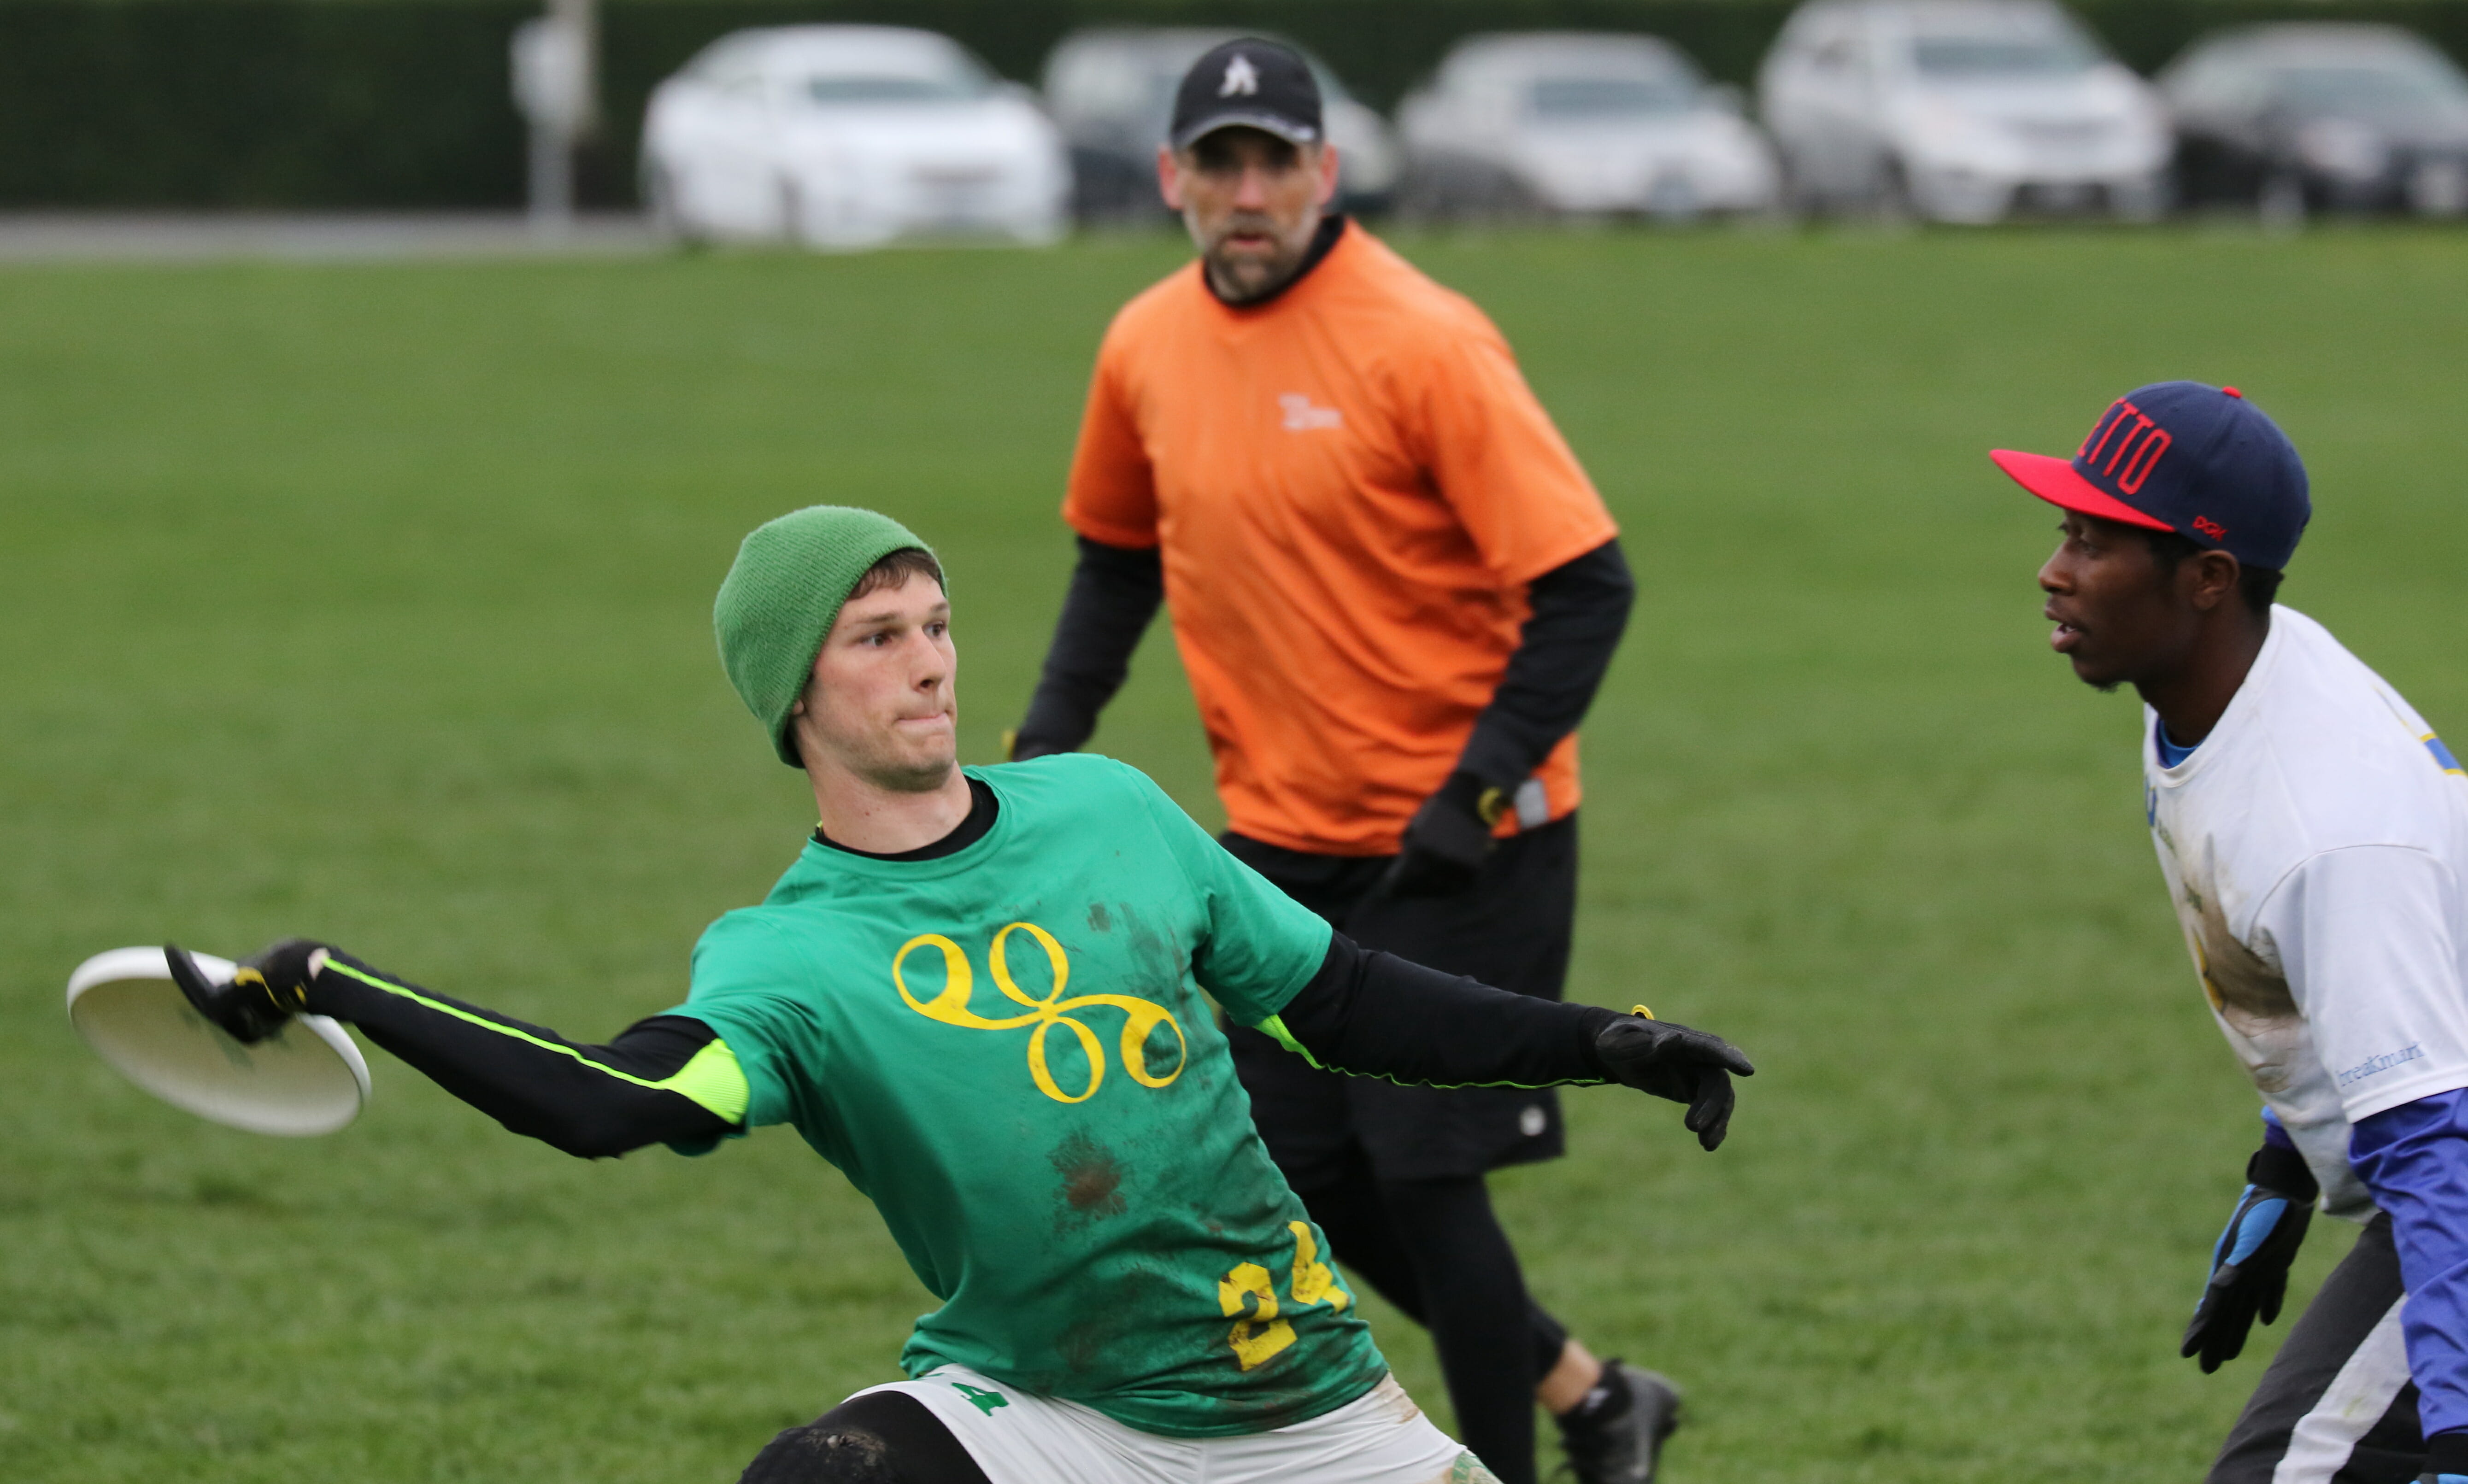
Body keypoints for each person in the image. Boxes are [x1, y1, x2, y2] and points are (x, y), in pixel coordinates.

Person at [171, 505, 1752, 1484]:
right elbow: (621, 1105)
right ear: (794, 699)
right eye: (875, 638)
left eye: (934, 625)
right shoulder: (789, 957)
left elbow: (1344, 1004)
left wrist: (1603, 1042)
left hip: (1310, 1416)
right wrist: (339, 981)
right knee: (821, 1480)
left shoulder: (1105, 810)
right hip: (1045, 1412)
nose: (928, 663)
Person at [1010, 37, 1657, 1484]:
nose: (1247, 192)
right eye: (1218, 163)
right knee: (1301, 1174)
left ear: (1326, 173)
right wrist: (1039, 752)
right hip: (1279, 843)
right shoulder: (1143, 344)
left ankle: (1505, 1460)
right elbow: (1116, 565)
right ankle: (1592, 1396)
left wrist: (1474, 784)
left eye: (1274, 161)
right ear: (1171, 178)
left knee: (1426, 1184)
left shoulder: (1422, 338)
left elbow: (1585, 584)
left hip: (1466, 838)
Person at [2002, 382, 2468, 1484]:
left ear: (2206, 580)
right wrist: (2283, 1166)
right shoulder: (2210, 693)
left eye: (2095, 541)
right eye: (2062, 531)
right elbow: (2334, 983)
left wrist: (2452, 1430)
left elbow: (2436, 1142)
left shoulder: (2326, 827)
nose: (2052, 569)